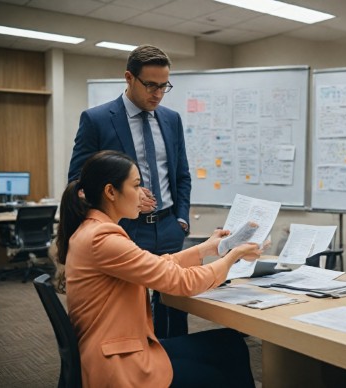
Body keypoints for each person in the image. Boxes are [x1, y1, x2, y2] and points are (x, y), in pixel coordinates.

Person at [57, 150, 260, 387]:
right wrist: (232, 255)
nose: (143, 194)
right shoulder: (102, 238)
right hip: (118, 363)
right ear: (111, 191)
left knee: (230, 342)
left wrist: (205, 249)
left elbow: (157, 265)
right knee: (224, 369)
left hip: (119, 347)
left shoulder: (94, 229)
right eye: (136, 186)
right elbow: (181, 281)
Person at [68, 45, 191, 338]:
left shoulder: (171, 119)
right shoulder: (97, 119)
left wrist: (181, 220)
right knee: (133, 313)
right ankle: (143, 369)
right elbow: (77, 182)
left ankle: (177, 367)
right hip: (125, 231)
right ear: (129, 78)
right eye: (150, 85)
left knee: (176, 309)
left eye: (164, 86)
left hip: (169, 226)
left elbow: (182, 175)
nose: (158, 94)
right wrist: (129, 198)